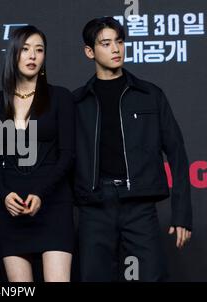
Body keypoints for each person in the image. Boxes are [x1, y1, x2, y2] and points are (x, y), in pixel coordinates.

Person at [73, 17, 192, 282]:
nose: (116, 49)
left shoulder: (150, 94)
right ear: (89, 52)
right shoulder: (77, 102)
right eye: (106, 43)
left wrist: (182, 214)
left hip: (139, 204)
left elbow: (177, 153)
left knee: (152, 276)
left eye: (119, 41)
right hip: (95, 205)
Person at [0, 25, 75, 282]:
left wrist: (40, 193)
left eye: (39, 50)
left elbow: (67, 155)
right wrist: (4, 194)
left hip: (53, 205)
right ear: (13, 54)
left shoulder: (61, 97)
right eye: (25, 49)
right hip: (11, 207)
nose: (32, 56)